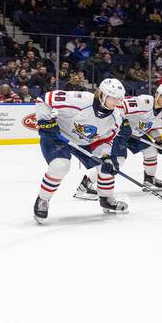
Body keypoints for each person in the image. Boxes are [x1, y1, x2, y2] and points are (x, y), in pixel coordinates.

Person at [32, 78, 129, 223]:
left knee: (108, 166)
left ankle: (106, 199)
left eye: (119, 98)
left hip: (86, 142)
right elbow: (44, 99)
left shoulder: (116, 117)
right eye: (113, 98)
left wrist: (105, 156)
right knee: (60, 166)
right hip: (58, 136)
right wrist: (45, 122)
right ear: (101, 95)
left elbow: (105, 140)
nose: (117, 102)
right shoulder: (80, 100)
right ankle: (43, 200)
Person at [75, 83, 162, 199]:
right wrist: (123, 122)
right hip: (119, 133)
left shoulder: (161, 112)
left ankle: (149, 180)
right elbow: (119, 105)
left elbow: (152, 128)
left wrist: (160, 141)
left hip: (135, 135)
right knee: (116, 161)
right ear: (157, 94)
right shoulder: (144, 102)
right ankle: (85, 184)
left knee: (151, 150)